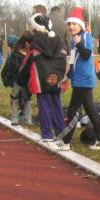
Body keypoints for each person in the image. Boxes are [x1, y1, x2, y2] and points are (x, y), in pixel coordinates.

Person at [56, 7, 100, 152]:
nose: (71, 27)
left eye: (74, 24)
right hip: (78, 79)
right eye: (69, 24)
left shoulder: (86, 37)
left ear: (80, 25)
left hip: (84, 80)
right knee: (91, 110)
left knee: (73, 111)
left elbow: (86, 55)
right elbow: (73, 61)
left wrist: (79, 43)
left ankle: (65, 142)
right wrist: (67, 76)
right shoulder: (73, 41)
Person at [25, 13, 67, 143]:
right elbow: (64, 59)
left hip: (41, 80)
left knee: (44, 107)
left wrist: (21, 79)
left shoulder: (35, 44)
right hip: (56, 79)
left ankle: (47, 134)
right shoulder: (59, 41)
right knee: (57, 106)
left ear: (35, 28)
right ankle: (61, 133)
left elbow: (26, 63)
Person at [2, 33, 34, 126]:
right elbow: (13, 69)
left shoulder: (29, 54)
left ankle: (28, 118)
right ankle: (14, 118)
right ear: (26, 43)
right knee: (15, 99)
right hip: (17, 81)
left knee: (27, 100)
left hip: (26, 81)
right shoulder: (14, 56)